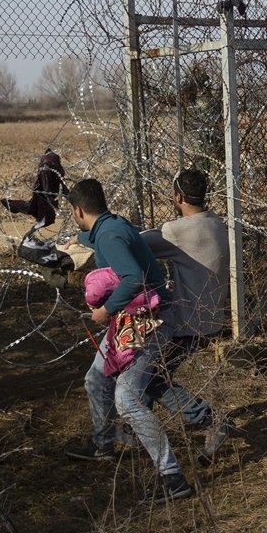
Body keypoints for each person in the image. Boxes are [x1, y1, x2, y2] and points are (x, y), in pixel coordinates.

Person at [62, 178, 193, 503]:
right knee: (95, 379)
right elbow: (103, 239)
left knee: (127, 399)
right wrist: (75, 240)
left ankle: (172, 478)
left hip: (146, 322)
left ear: (78, 210)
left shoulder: (109, 233)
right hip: (132, 319)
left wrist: (105, 309)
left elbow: (133, 277)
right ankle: (102, 444)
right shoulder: (109, 226)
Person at [141, 168, 235, 463]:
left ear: (178, 196)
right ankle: (136, 428)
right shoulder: (217, 222)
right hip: (210, 318)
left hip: (187, 323)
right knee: (148, 370)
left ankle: (211, 420)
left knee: (150, 378)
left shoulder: (177, 231)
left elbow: (132, 243)